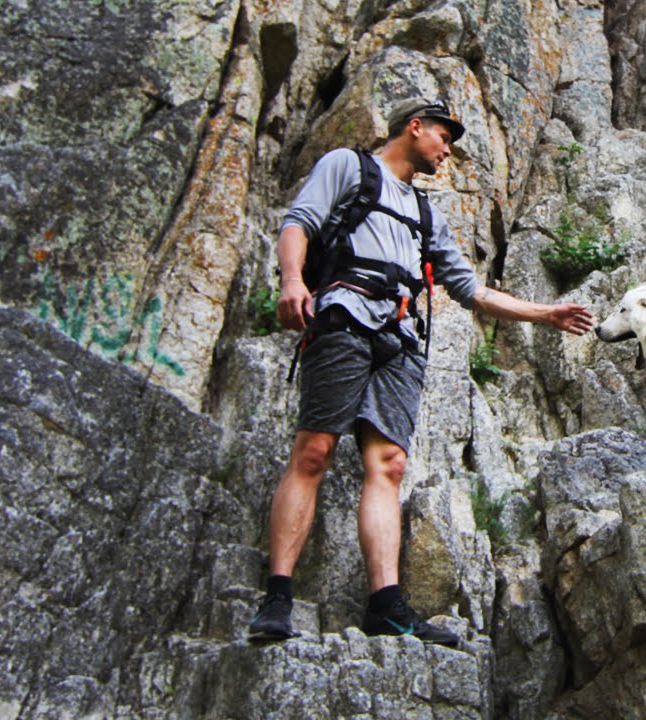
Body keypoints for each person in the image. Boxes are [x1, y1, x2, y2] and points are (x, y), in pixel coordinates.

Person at [247, 98, 594, 647]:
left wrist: (544, 314)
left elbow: (471, 290)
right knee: (314, 451)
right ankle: (277, 597)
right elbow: (299, 223)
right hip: (343, 319)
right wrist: (292, 280)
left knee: (389, 465)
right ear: (415, 127)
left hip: (401, 340)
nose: (447, 150)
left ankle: (385, 604)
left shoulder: (427, 214)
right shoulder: (348, 166)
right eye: (444, 138)